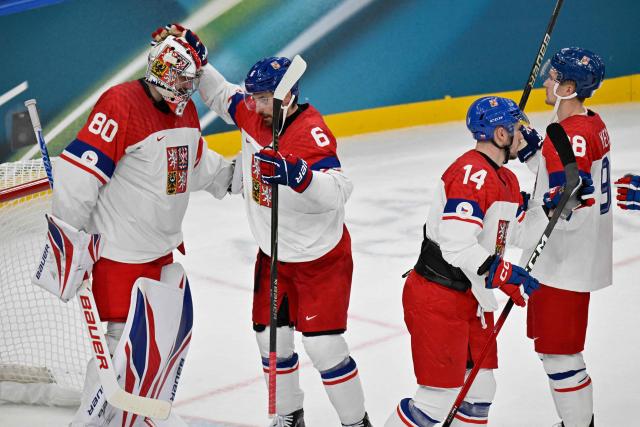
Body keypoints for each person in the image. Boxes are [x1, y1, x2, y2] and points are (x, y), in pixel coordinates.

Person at [151, 24, 371, 427]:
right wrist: (196, 55)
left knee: (324, 348)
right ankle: (290, 416)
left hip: (320, 260)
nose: (256, 106)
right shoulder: (254, 117)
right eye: (254, 98)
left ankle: (356, 422)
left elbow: (340, 189)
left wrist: (296, 174)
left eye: (265, 99)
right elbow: (220, 93)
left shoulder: (311, 134)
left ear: (288, 96)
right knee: (272, 344)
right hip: (274, 256)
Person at [33, 32, 235, 426]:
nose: (188, 88)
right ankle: (89, 421)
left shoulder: (184, 112)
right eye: (182, 79)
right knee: (119, 343)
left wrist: (234, 177)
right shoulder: (121, 103)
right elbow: (79, 175)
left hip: (160, 249)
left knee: (151, 342)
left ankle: (133, 412)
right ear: (162, 72)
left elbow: (189, 165)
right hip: (120, 252)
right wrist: (68, 242)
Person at [384, 96, 544, 426]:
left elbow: (515, 235)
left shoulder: (506, 179)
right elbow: (456, 247)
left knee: (480, 389)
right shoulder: (471, 174)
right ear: (500, 135)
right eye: (517, 129)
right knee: (435, 401)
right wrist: (502, 272)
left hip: (470, 298)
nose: (523, 135)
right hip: (438, 297)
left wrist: (552, 206)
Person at [517, 47, 610, 427]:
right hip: (577, 256)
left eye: (554, 77)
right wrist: (528, 147)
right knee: (557, 353)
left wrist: (535, 208)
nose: (546, 81)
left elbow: (570, 207)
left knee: (560, 356)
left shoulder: (565, 136)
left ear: (569, 87)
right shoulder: (590, 123)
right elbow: (562, 168)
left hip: (561, 262)